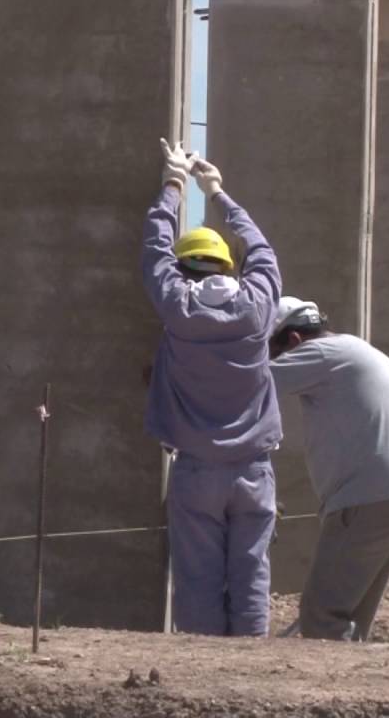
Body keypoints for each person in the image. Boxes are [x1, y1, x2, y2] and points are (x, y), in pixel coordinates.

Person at [142, 139, 283, 637]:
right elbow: (262, 252)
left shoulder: (179, 310)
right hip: (254, 470)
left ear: (186, 270)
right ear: (228, 267)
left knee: (198, 578)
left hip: (197, 469)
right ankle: (247, 676)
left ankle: (203, 672)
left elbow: (156, 250)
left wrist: (173, 184)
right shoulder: (258, 309)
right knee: (251, 573)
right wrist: (217, 194)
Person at [269, 297, 389, 641]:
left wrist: (171, 375)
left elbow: (243, 384)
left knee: (322, 614)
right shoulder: (363, 355)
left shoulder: (320, 354)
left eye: (275, 352)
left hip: (367, 499)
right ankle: (347, 689)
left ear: (292, 340)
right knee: (350, 619)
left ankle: (329, 692)